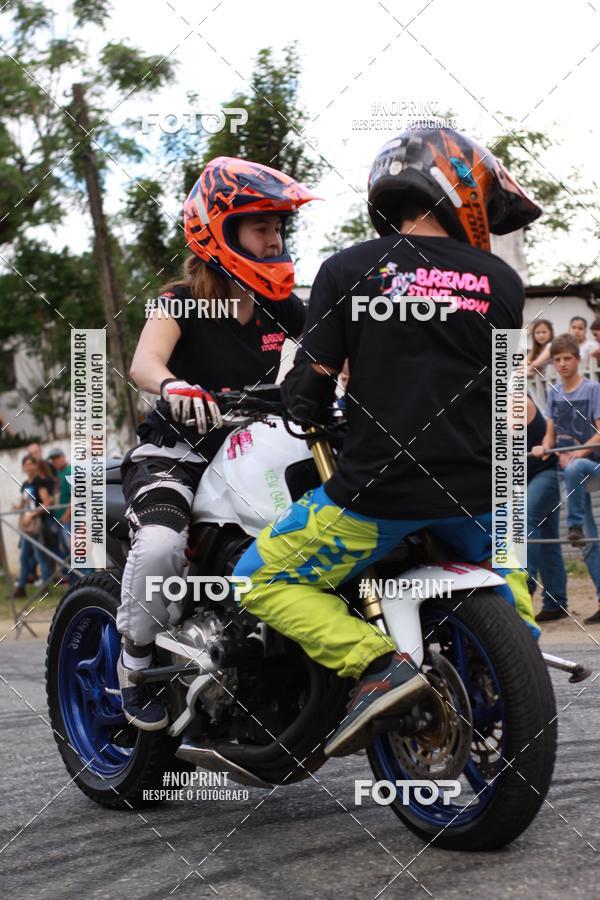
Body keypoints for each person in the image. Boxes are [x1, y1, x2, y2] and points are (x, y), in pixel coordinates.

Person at [234, 126, 543, 757]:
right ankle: (512, 664)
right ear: (458, 192)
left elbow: (306, 393)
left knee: (257, 578)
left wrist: (307, 398)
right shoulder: (502, 283)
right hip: (487, 495)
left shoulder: (347, 269)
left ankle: (376, 664)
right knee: (508, 577)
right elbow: (513, 406)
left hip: (380, 496)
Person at [115, 156, 317, 729]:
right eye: (262, 226)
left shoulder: (284, 308)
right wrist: (174, 384)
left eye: (278, 227)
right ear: (221, 230)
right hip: (177, 454)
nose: (274, 237)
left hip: (259, 446)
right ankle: (136, 665)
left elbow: (331, 357)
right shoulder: (178, 299)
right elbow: (144, 362)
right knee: (157, 546)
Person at [532, 333, 600, 625]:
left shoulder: (592, 389)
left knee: (574, 469)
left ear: (578, 359)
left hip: (588, 466)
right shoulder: (554, 393)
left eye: (567, 359)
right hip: (565, 473)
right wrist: (543, 446)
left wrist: (577, 453)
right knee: (585, 538)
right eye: (557, 359)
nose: (562, 364)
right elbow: (550, 431)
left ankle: (572, 525)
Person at [526, 394, 569, 622]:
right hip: (528, 477)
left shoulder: (517, 401)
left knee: (526, 522)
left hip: (546, 472)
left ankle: (524, 590)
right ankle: (555, 603)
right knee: (547, 540)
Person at [12, 455, 55, 597]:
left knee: (40, 557)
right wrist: (16, 508)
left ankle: (44, 587)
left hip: (36, 525)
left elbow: (47, 502)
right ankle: (21, 588)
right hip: (27, 526)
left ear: (36, 466)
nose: (28, 467)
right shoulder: (25, 484)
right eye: (26, 464)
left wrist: (32, 514)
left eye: (31, 464)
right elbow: (23, 503)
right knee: (24, 557)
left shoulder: (39, 482)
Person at [47, 448, 72, 583]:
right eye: (52, 459)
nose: (54, 461)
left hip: (70, 519)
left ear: (63, 457)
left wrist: (68, 513)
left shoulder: (70, 471)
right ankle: (73, 581)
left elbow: (76, 494)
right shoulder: (58, 473)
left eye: (57, 457)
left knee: (76, 551)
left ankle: (84, 580)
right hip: (61, 519)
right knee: (68, 553)